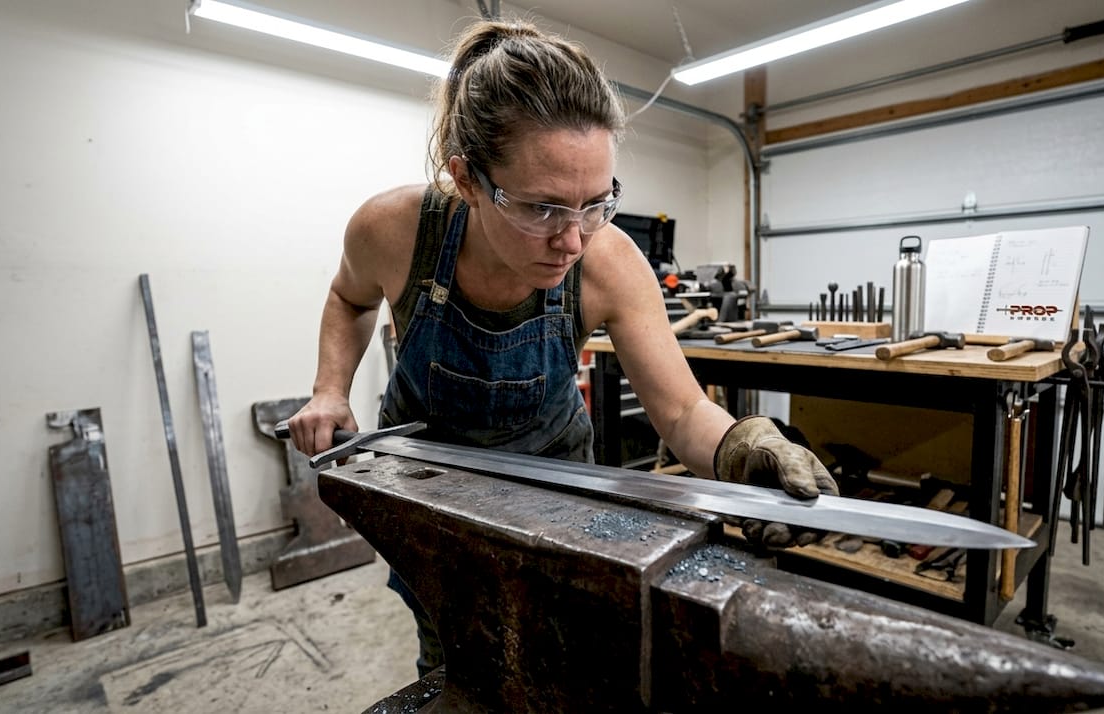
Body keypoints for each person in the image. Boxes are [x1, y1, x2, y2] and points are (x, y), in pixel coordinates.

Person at [286, 18, 838, 678]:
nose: (573, 239)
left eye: (595, 203)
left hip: (558, 490)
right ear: (466, 179)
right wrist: (329, 388)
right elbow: (349, 298)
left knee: (563, 662)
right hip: (428, 491)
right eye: (543, 208)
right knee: (453, 663)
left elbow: (684, 414)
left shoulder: (609, 263)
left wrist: (745, 447)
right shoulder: (395, 232)